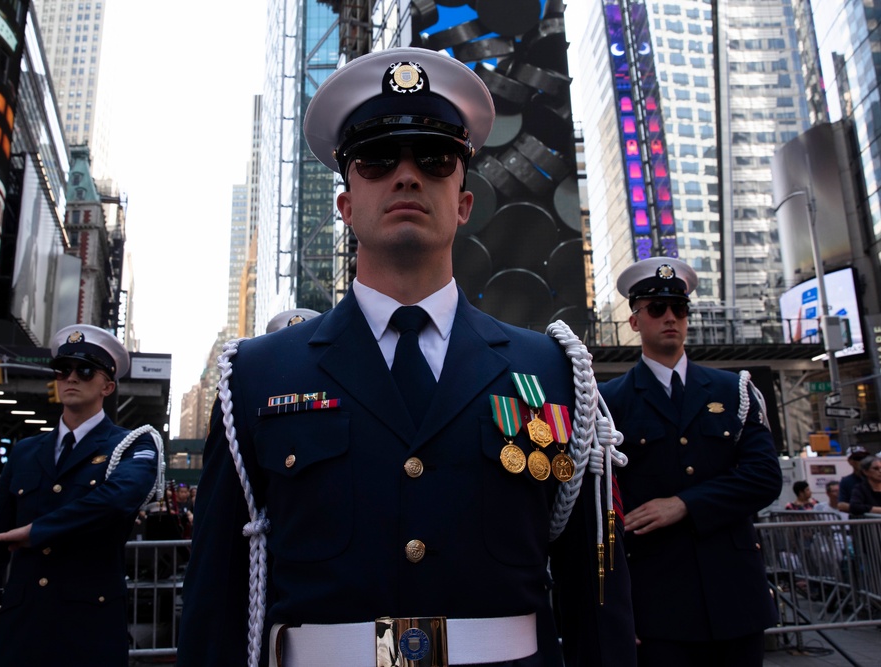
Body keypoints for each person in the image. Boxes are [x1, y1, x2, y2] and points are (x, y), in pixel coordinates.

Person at [178, 47, 635, 667]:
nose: (406, 174)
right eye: (376, 159)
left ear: (464, 203)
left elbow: (595, 592)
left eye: (435, 158)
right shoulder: (256, 378)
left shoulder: (553, 372)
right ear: (345, 206)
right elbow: (216, 601)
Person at [599, 256, 782, 667]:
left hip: (735, 596)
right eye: (657, 309)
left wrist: (684, 504)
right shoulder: (607, 402)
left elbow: (765, 478)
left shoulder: (734, 390)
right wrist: (614, 607)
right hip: (657, 601)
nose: (670, 317)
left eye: (679, 309)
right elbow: (599, 508)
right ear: (634, 321)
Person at [0, 324, 159, 666]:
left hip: (88, 630)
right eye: (63, 370)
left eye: (85, 370)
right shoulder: (25, 451)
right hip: (20, 630)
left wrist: (37, 532)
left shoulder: (133, 443)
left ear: (107, 386)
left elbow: (117, 499)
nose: (71, 378)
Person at [837, 446, 870, 513]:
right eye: (858, 458)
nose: (862, 461)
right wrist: (870, 509)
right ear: (850, 461)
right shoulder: (846, 481)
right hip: (859, 521)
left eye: (865, 457)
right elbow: (841, 505)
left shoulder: (875, 478)